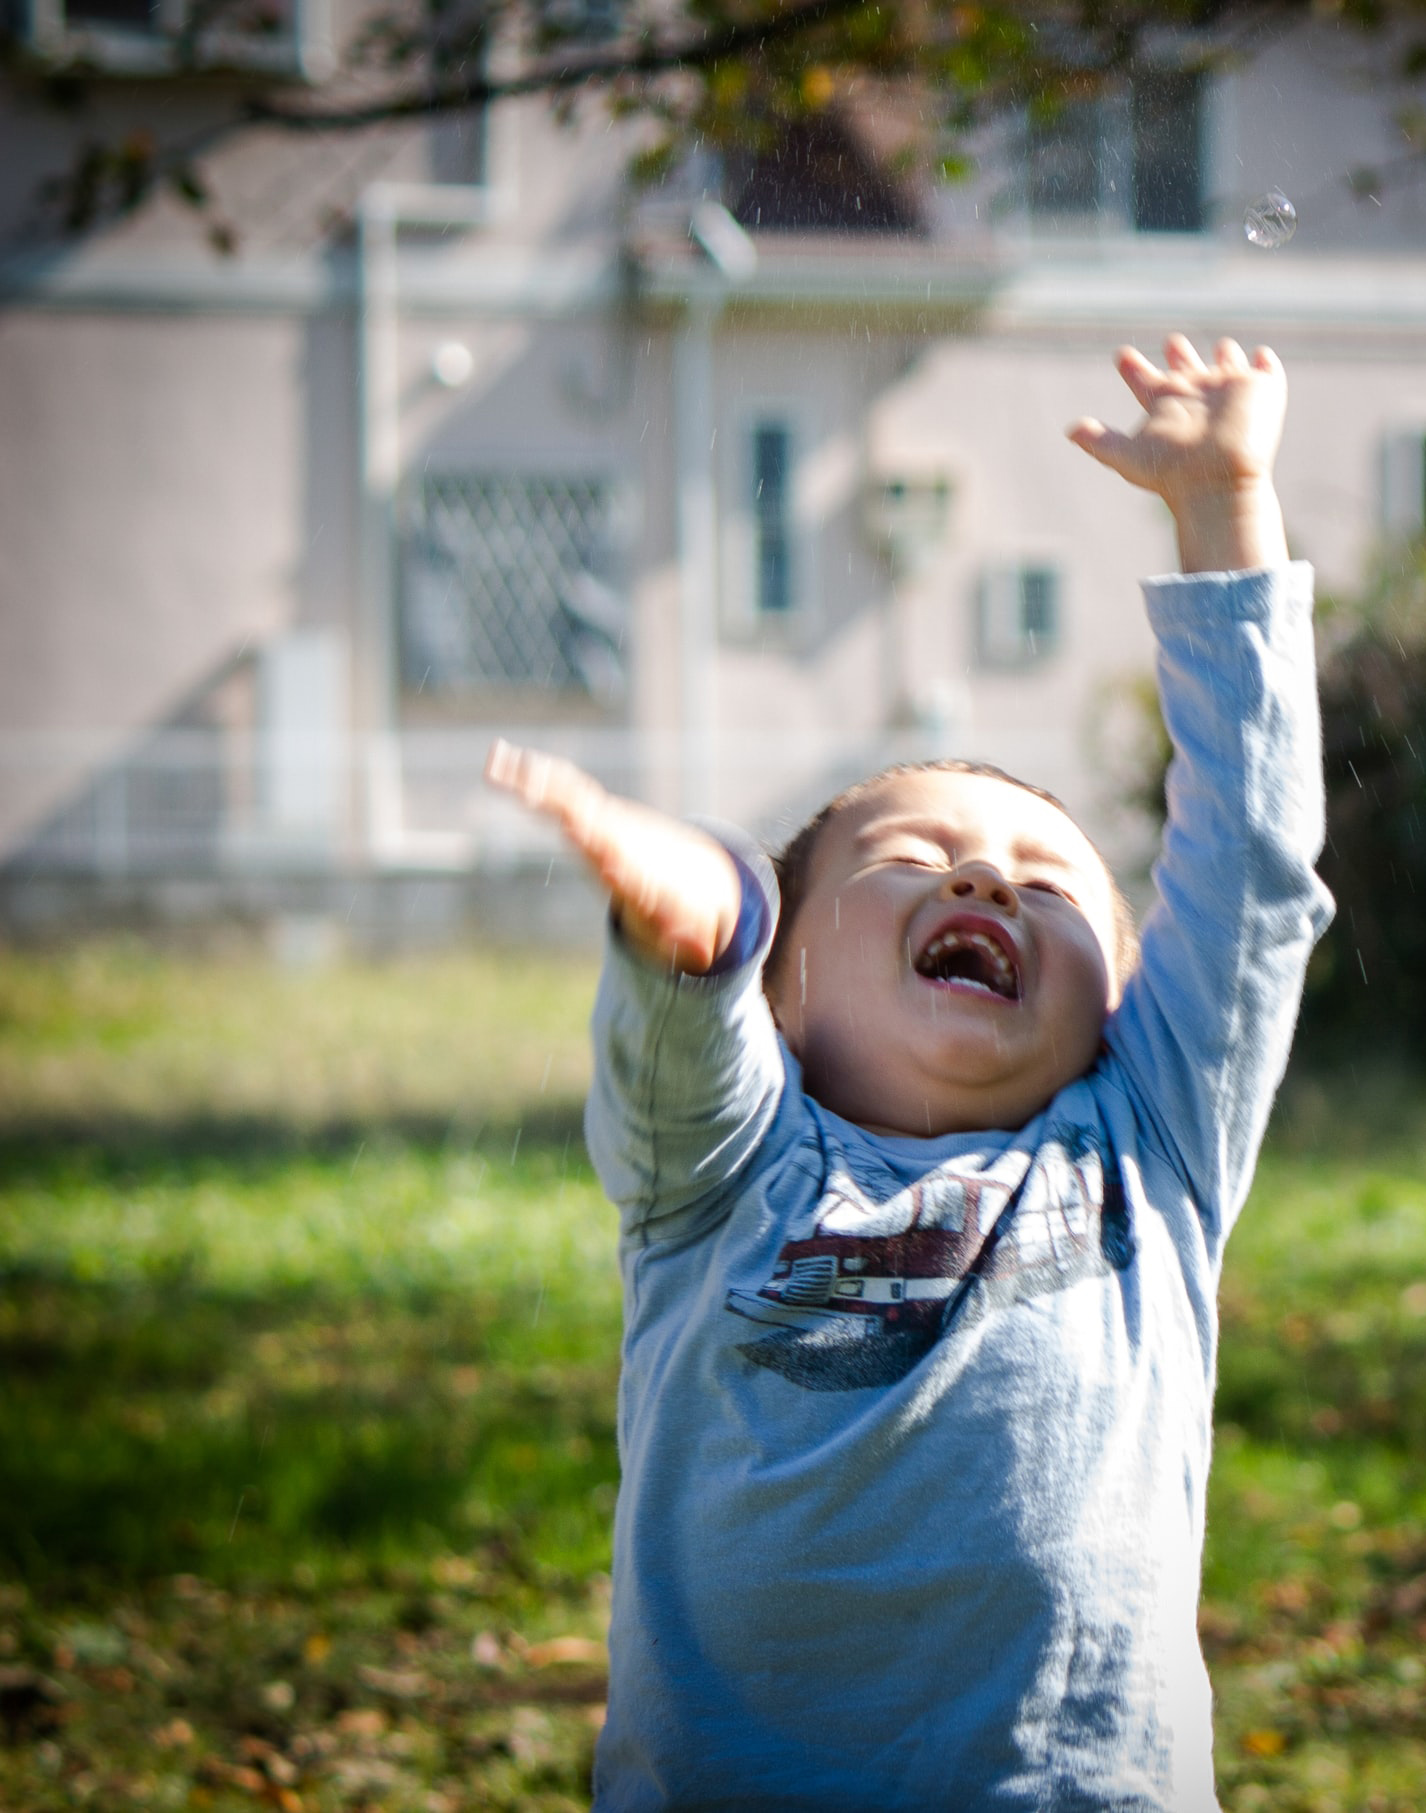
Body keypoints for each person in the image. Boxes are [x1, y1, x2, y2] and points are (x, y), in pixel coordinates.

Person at [486, 333, 1334, 1811]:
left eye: (1052, 889)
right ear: (786, 977)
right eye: (915, 861)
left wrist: (1226, 510)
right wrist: (690, 923)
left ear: (1129, 1003)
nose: (991, 884)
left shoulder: (1152, 1141)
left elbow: (1253, 872)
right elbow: (688, 1016)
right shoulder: (723, 1166)